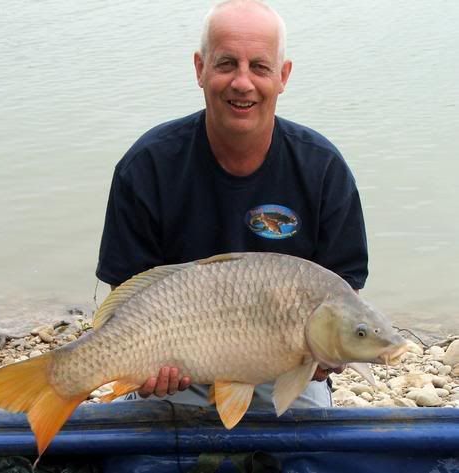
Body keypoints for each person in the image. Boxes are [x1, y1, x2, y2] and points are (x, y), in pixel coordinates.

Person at [96, 0, 368, 409]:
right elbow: (126, 298)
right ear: (200, 69)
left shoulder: (323, 170)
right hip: (177, 370)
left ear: (283, 76)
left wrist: (326, 357)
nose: (243, 83)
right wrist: (144, 365)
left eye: (259, 66)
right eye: (226, 64)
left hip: (284, 374)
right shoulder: (147, 166)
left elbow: (346, 296)